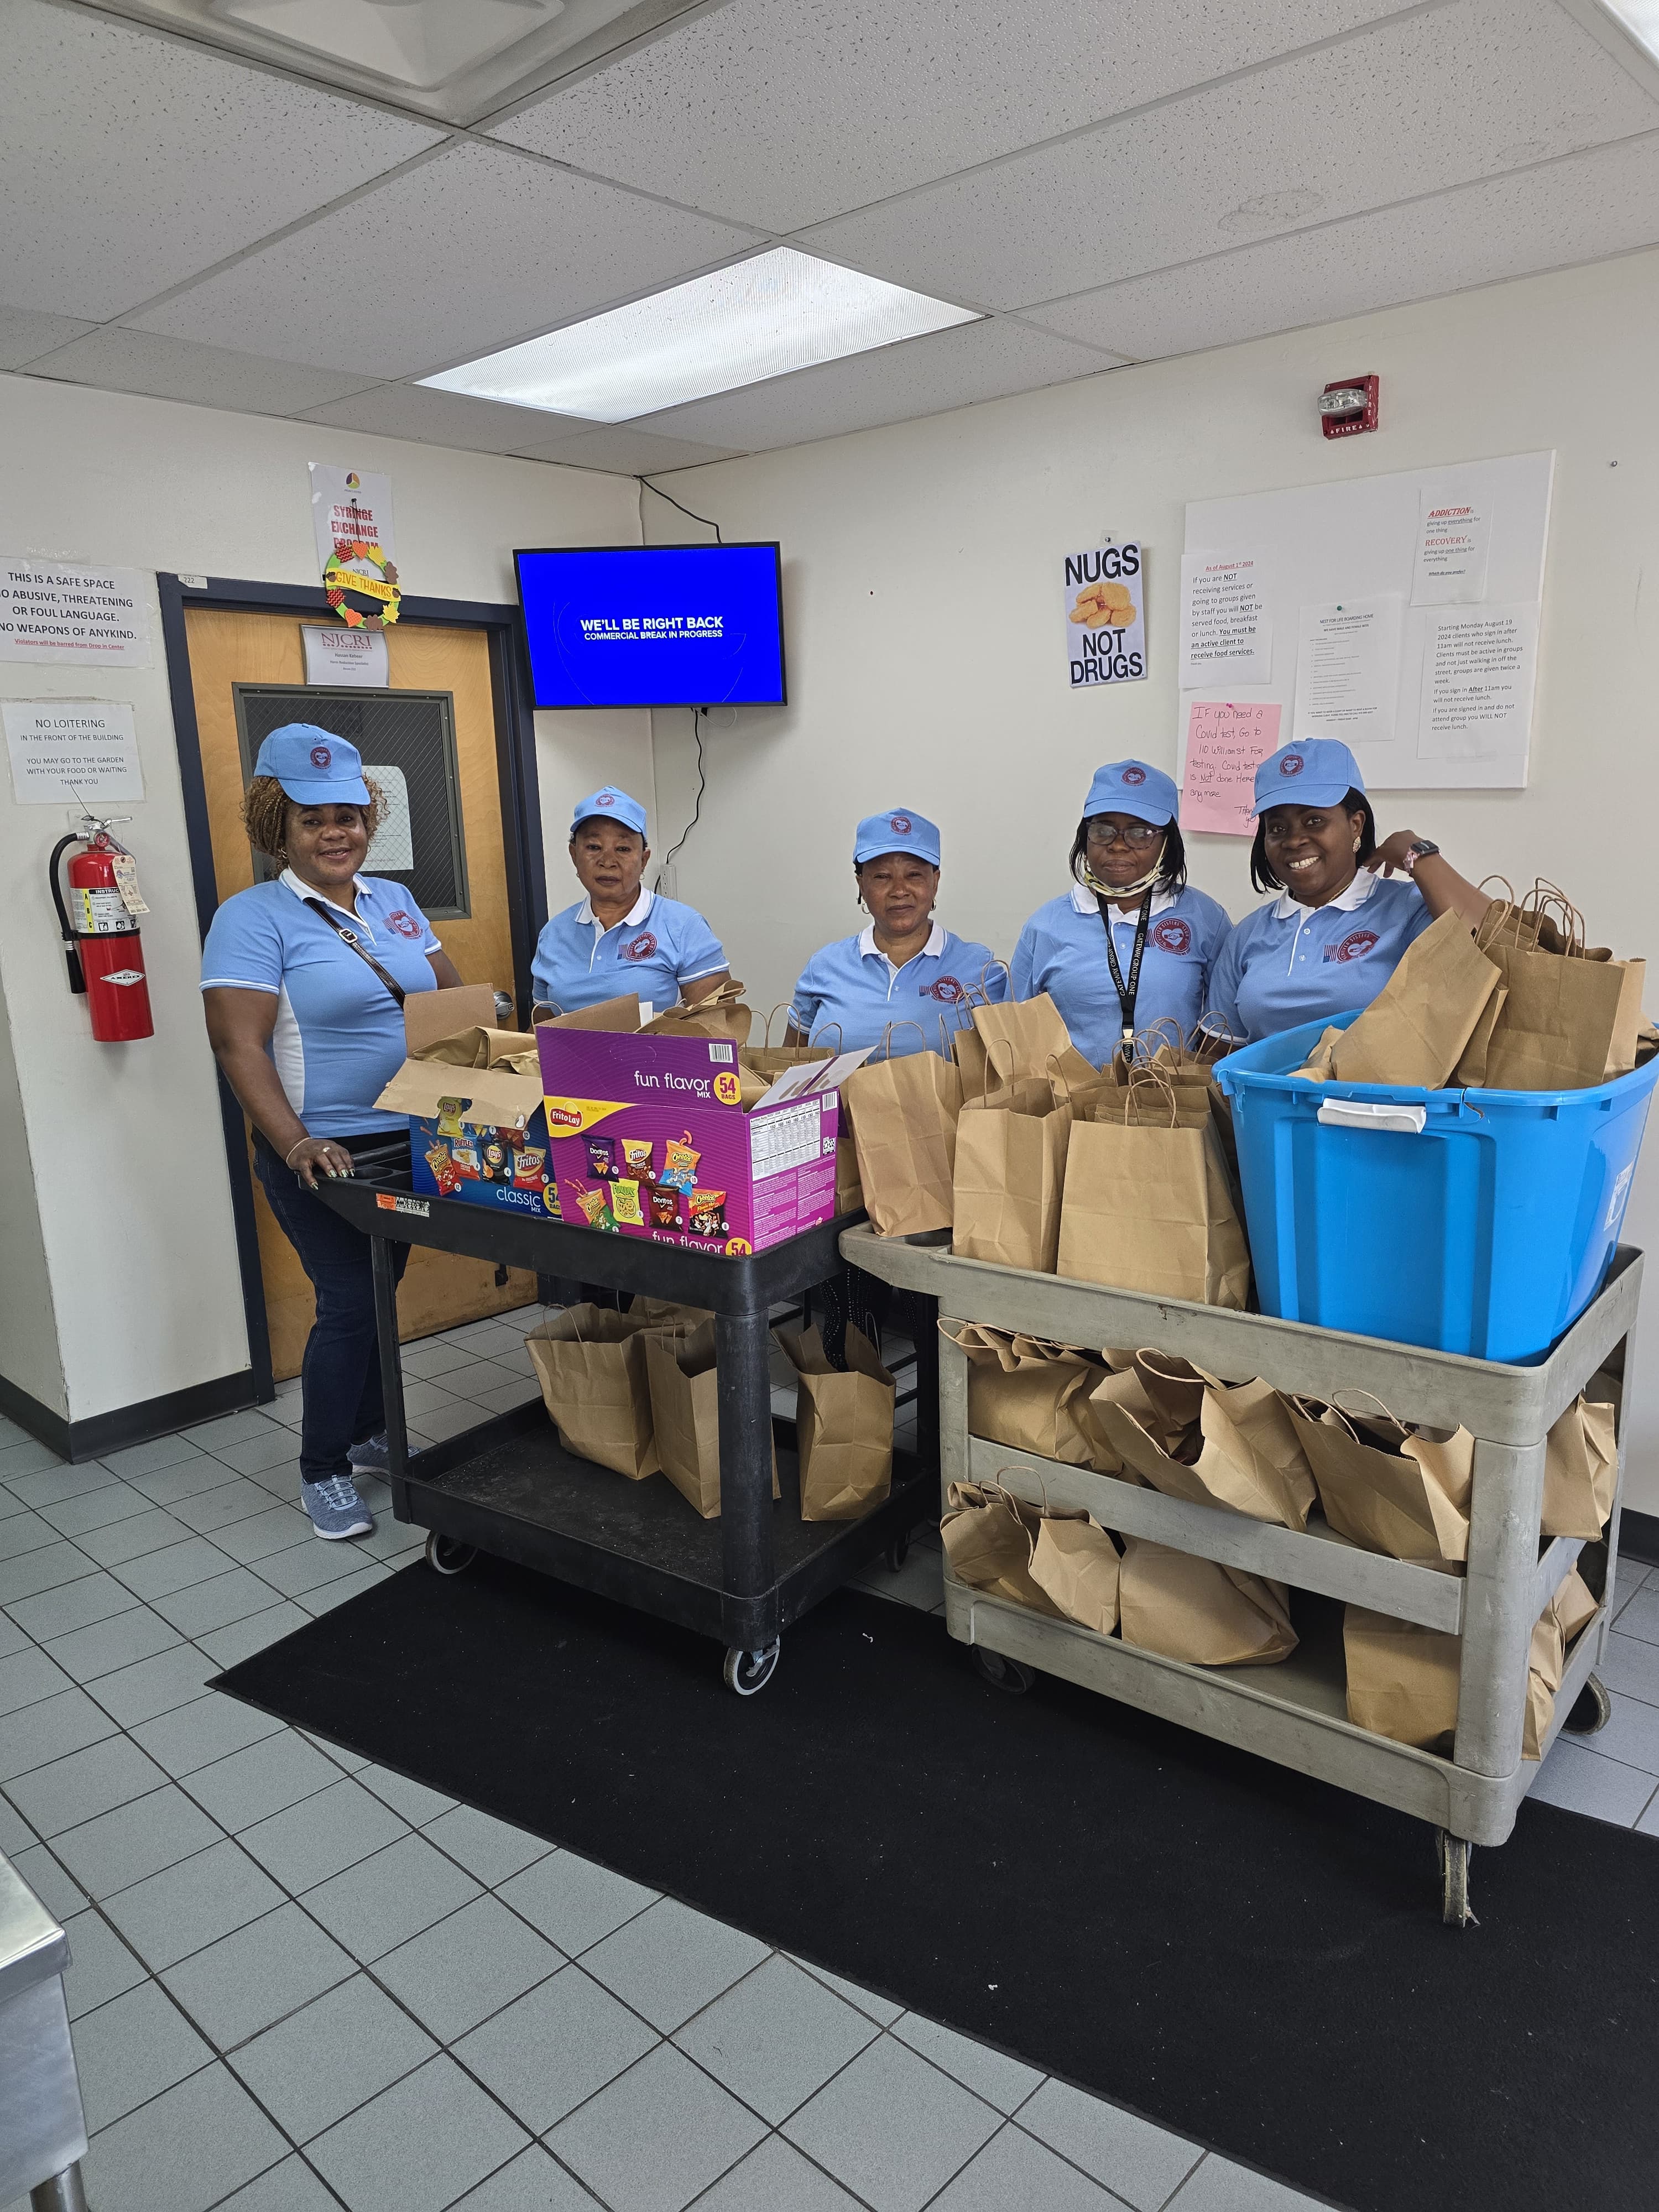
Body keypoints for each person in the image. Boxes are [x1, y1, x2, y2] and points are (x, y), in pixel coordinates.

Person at [201, 726, 469, 1541]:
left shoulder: (395, 902)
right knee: (350, 1302)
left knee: (378, 1293)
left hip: (413, 1139)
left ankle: (370, 1431)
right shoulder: (252, 918)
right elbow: (238, 1044)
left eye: (347, 817)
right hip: (324, 1152)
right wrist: (294, 1143)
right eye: (312, 819)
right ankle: (323, 1468)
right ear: (277, 827)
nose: (334, 833)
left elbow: (450, 1003)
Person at [1208, 738, 1490, 1045]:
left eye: (1314, 821)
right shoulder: (1247, 935)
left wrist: (1418, 855)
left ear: (1356, 825)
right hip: (1260, 1080)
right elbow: (1218, 1053)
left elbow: (1494, 951)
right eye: (1277, 828)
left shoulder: (1408, 908)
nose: (1294, 840)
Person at [1011, 761, 1231, 1063]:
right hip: (1072, 1091)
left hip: (1173, 1090)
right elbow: (1017, 1034)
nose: (1118, 846)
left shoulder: (1205, 918)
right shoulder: (1045, 926)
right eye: (1103, 830)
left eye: (1140, 833)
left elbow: (1223, 1029)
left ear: (1167, 843)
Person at [785, 808, 1006, 1055]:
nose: (899, 890)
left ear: (935, 882)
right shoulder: (824, 967)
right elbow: (789, 1065)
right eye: (882, 876)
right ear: (862, 885)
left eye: (914, 875)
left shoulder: (982, 970)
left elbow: (1006, 1065)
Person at [531, 786, 728, 1018]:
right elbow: (539, 1031)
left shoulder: (685, 927)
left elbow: (718, 1025)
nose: (608, 861)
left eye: (623, 849)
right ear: (574, 855)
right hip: (567, 1046)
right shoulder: (553, 935)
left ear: (644, 860)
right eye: (594, 847)